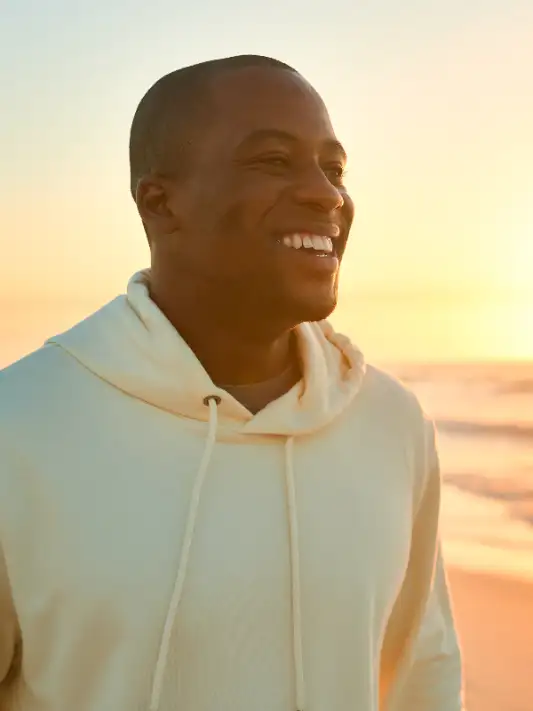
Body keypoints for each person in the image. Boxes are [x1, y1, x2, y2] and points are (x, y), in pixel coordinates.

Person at [0, 55, 464, 711]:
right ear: (160, 203)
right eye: (273, 161)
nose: (326, 194)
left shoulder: (392, 425)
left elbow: (424, 677)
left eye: (333, 169)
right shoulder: (19, 425)